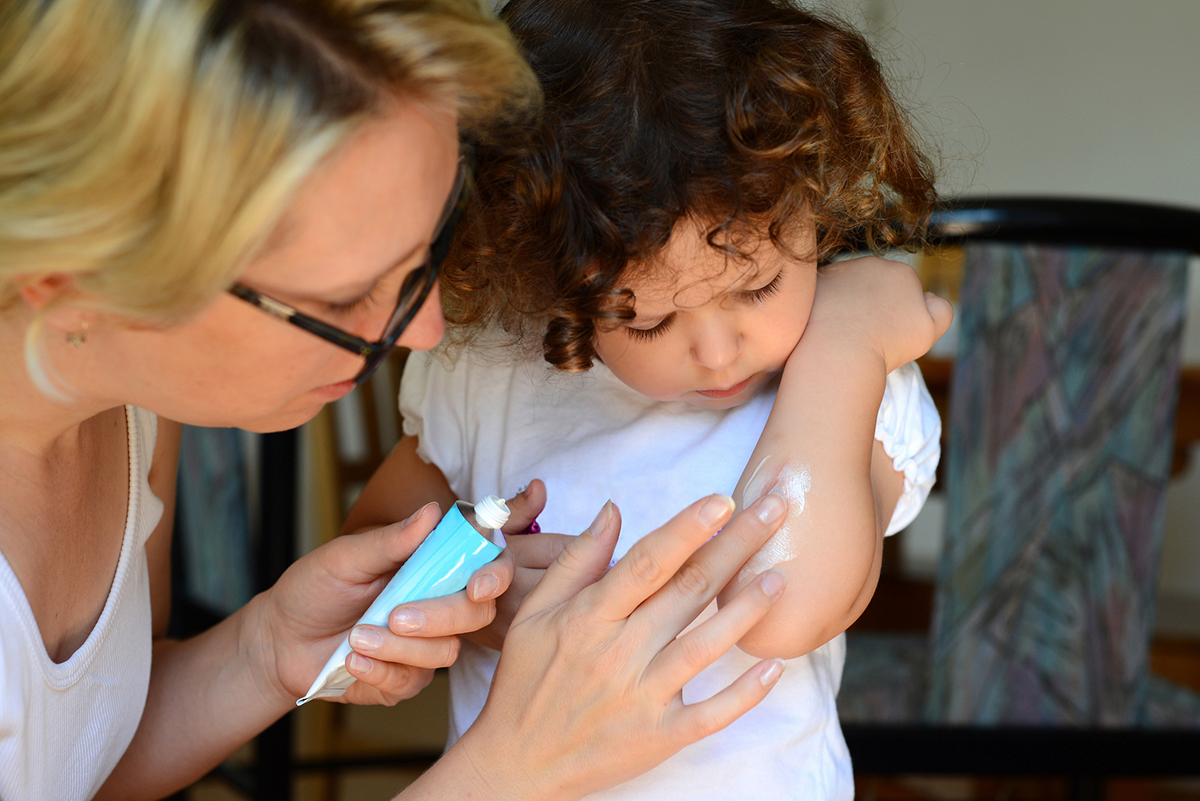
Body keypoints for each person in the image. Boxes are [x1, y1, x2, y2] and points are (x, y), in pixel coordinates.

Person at [0, 1, 795, 799]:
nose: (426, 331)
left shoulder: (131, 406)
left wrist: (266, 650)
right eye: (348, 295)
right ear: (70, 267)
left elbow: (81, 766)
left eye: (425, 256)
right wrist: (507, 772)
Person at [344, 0, 953, 798]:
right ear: (555, 277)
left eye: (759, 285)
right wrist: (478, 599)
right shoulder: (492, 375)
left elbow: (788, 604)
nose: (716, 348)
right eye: (649, 318)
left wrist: (844, 342)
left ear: (815, 207)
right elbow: (365, 565)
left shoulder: (847, 387)